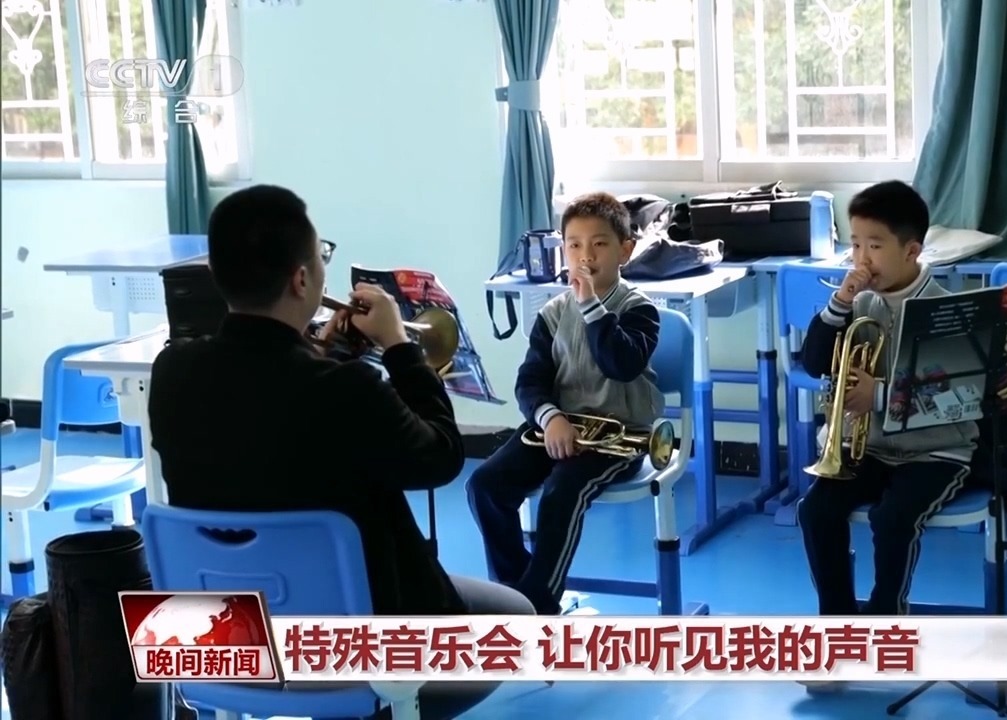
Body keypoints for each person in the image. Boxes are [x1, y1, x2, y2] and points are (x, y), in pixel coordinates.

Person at [148, 184, 533, 719]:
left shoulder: (172, 372)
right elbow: (441, 456)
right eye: (320, 258)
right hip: (353, 645)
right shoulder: (346, 389)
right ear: (302, 280)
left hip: (224, 638)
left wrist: (319, 352)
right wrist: (401, 348)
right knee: (517, 619)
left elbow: (264, 414)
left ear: (216, 273)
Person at [796, 181, 978, 689]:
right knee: (816, 511)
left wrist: (877, 395)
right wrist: (839, 302)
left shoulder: (945, 310)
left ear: (911, 250)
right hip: (871, 448)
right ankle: (837, 632)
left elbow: (957, 398)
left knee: (893, 517)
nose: (861, 258)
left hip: (936, 451)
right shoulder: (859, 304)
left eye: (874, 245)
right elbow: (813, 362)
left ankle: (885, 616)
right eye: (855, 243)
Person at [466, 192, 664, 615]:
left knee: (561, 492)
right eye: (574, 245)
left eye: (599, 244)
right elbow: (530, 381)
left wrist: (591, 306)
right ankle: (515, 594)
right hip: (557, 427)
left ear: (625, 251)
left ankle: (539, 606)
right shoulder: (553, 312)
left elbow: (621, 365)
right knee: (484, 485)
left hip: (618, 437)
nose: (585, 256)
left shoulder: (639, 309)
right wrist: (550, 417)